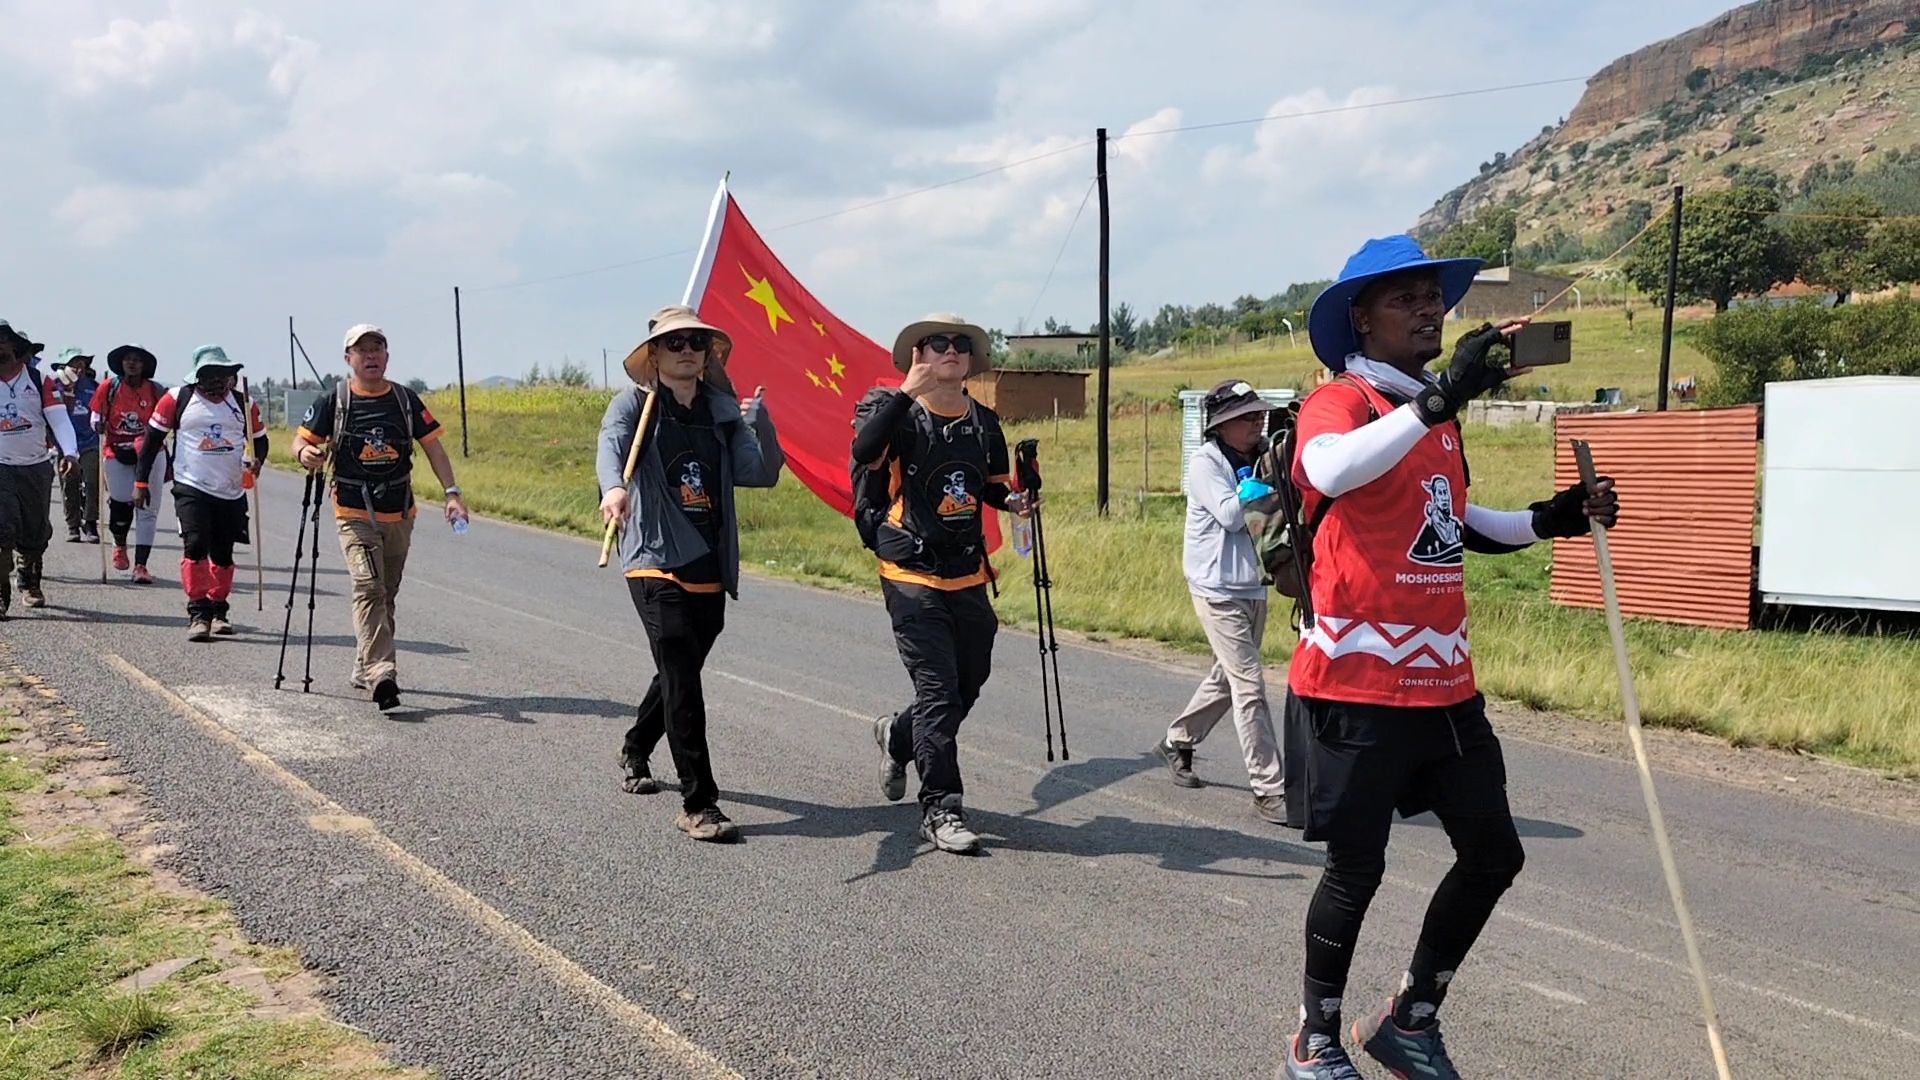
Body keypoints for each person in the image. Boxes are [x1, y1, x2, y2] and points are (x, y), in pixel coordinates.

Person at [1274, 235, 1618, 1080]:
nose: (1431, 309)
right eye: (1408, 299)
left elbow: (1456, 526)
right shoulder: (1344, 402)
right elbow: (1327, 467)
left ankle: (1409, 1020)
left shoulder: (1433, 413)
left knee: (1496, 852)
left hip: (1443, 682)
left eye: (1436, 296)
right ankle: (1314, 1039)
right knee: (1357, 868)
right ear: (1362, 318)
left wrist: (1554, 518)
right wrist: (1439, 402)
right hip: (1355, 679)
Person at [597, 305, 784, 844]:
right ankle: (699, 801)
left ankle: (636, 744)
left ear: (707, 356)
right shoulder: (634, 405)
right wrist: (614, 490)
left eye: (695, 343)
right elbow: (612, 452)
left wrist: (759, 423)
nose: (686, 351)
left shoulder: (719, 412)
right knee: (679, 659)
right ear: (654, 354)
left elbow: (759, 474)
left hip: (708, 561)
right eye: (674, 343)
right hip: (654, 554)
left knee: (680, 671)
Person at [851, 313, 1033, 856]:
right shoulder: (898, 413)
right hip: (909, 571)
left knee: (967, 680)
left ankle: (899, 736)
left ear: (971, 359)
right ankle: (941, 806)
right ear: (919, 355)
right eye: (938, 344)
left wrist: (1017, 502)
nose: (950, 351)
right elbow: (865, 452)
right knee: (937, 688)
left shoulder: (985, 422)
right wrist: (905, 393)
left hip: (967, 572)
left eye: (960, 344)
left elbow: (991, 490)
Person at [292, 325, 469, 711]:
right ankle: (381, 673)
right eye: (362, 350)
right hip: (353, 511)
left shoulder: (405, 399)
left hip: (400, 511)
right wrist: (305, 454)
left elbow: (434, 448)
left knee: (386, 591)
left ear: (387, 356)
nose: (371, 356)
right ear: (348, 358)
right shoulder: (334, 401)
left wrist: (452, 493)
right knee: (369, 587)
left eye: (378, 348)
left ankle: (363, 663)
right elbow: (301, 440)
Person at [1153, 379, 1288, 826]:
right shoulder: (1205, 463)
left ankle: (1178, 740)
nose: (1259, 421)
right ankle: (1269, 789)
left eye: (1260, 414)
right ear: (1222, 425)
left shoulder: (1263, 454)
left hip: (1253, 583)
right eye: (1248, 416)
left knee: (1227, 677)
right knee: (1249, 683)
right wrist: (1268, 479)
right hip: (1215, 587)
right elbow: (1232, 516)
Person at [136, 345, 267, 641]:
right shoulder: (176, 399)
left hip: (231, 490)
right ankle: (198, 612)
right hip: (190, 485)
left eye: (224, 374)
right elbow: (152, 440)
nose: (218, 381)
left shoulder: (244, 404)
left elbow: (260, 442)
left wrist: (257, 463)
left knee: (222, 553)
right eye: (210, 374)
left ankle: (219, 610)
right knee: (195, 545)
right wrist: (141, 482)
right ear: (197, 376)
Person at [0, 320, 80, 615]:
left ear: (16, 347)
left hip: (35, 466)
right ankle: (0, 593)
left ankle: (30, 581)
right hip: (1, 467)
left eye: (3, 341)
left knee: (35, 532)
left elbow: (59, 419)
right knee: (1, 531)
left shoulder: (38, 380)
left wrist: (70, 453)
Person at [92, 345, 168, 582]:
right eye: (128, 360)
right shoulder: (109, 387)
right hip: (116, 451)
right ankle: (120, 543)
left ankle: (141, 566)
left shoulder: (155, 390)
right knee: (121, 502)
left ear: (145, 366)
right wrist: (98, 424)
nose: (132, 364)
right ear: (121, 364)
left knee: (148, 509)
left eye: (137, 360)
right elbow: (94, 416)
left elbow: (166, 420)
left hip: (150, 452)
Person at [54, 349, 101, 544]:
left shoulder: (93, 387)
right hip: (66, 445)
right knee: (69, 484)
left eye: (81, 364)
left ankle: (90, 522)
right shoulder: (54, 387)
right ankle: (73, 524)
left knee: (92, 482)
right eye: (73, 364)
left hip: (89, 442)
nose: (78, 368)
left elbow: (100, 411)